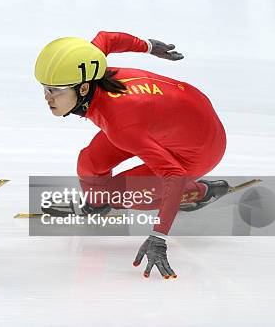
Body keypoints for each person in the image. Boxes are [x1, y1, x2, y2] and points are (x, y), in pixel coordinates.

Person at [34, 32, 229, 279]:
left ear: (84, 88)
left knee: (117, 194)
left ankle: (200, 191)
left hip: (200, 148)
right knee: (89, 164)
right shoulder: (89, 63)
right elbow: (106, 39)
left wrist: (159, 237)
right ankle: (97, 203)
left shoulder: (120, 125)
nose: (47, 97)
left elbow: (174, 174)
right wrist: (149, 47)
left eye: (56, 90)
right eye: (45, 88)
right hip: (171, 117)